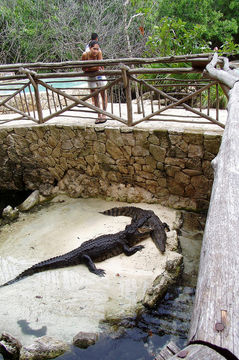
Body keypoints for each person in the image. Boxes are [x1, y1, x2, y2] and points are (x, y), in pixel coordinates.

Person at [82, 40, 108, 124]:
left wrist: (90, 67)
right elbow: (83, 68)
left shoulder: (99, 53)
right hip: (91, 76)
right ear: (90, 48)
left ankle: (104, 114)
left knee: (103, 93)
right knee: (95, 95)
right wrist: (94, 67)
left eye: (97, 49)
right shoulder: (85, 55)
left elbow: (99, 65)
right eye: (94, 49)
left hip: (99, 75)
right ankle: (99, 115)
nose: (96, 51)